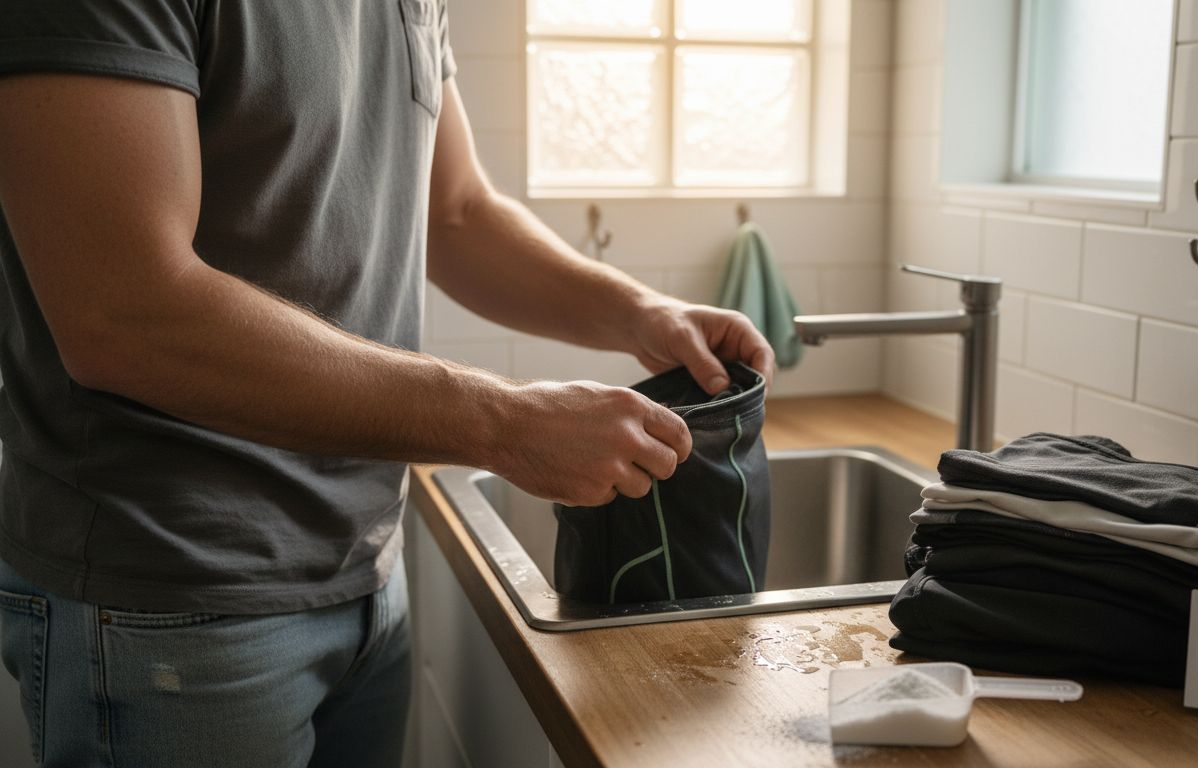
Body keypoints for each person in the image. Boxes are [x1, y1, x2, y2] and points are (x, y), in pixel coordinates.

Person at [0, 2, 774, 766]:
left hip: (365, 570)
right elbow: (124, 312)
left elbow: (458, 212)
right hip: (170, 600)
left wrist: (640, 313)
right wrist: (503, 421)